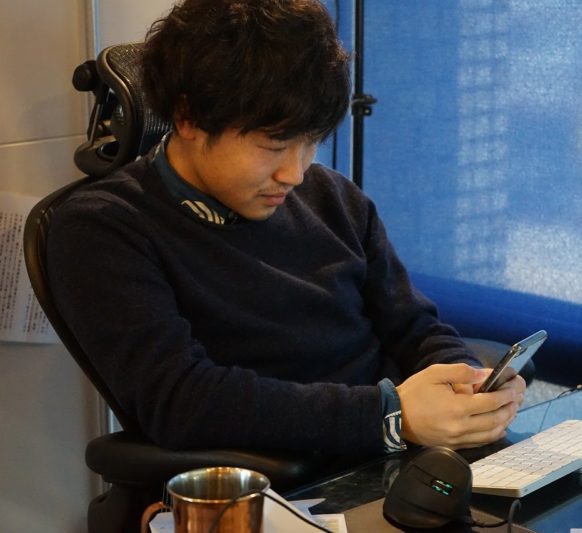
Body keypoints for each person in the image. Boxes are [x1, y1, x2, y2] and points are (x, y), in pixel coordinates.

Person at [48, 0, 525, 457]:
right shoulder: (103, 227)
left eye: (311, 142)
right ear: (188, 117)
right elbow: (180, 400)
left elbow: (413, 326)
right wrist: (388, 416)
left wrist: (470, 382)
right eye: (274, 146)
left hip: (401, 455)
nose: (294, 174)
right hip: (286, 486)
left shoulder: (333, 198)